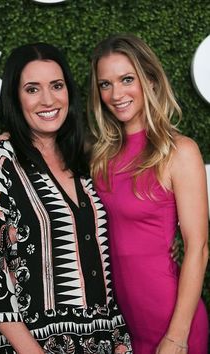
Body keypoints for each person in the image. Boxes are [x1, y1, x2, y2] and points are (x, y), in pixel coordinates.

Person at [0, 43, 133, 354]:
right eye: (32, 89)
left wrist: (119, 341)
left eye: (57, 86)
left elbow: (102, 264)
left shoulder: (86, 162)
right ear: (15, 98)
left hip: (104, 343)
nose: (48, 100)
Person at [87, 33, 209, 354]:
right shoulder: (101, 156)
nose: (116, 94)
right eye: (105, 84)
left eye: (127, 79)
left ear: (150, 81)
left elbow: (199, 248)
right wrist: (12, 139)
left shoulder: (179, 151)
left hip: (171, 321)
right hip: (124, 327)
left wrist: (177, 337)